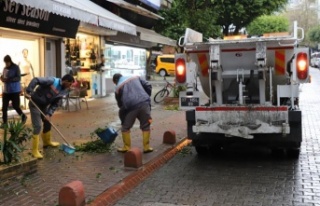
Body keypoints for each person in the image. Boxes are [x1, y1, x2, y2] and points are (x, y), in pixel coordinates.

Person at [25, 74, 74, 159]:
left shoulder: (63, 91)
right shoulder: (52, 81)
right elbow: (36, 79)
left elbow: (55, 104)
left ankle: (47, 142)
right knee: (38, 126)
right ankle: (34, 150)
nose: (70, 86)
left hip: (44, 106)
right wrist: (28, 91)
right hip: (35, 103)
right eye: (70, 84)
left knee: (48, 122)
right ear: (65, 81)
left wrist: (49, 114)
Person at [113, 73, 153, 153]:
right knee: (146, 125)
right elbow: (148, 85)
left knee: (125, 127)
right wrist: (145, 96)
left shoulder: (118, 88)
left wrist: (123, 119)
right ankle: (146, 147)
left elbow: (120, 105)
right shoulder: (135, 77)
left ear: (116, 81)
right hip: (144, 102)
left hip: (130, 106)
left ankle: (127, 147)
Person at [0, 55, 27, 127]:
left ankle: (23, 116)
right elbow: (3, 76)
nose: (6, 64)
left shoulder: (16, 67)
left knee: (16, 106)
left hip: (14, 90)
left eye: (7, 62)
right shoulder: (5, 68)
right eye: (5, 63)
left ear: (10, 61)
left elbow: (18, 78)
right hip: (6, 91)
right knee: (4, 108)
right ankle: (5, 123)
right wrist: (2, 78)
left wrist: (9, 79)